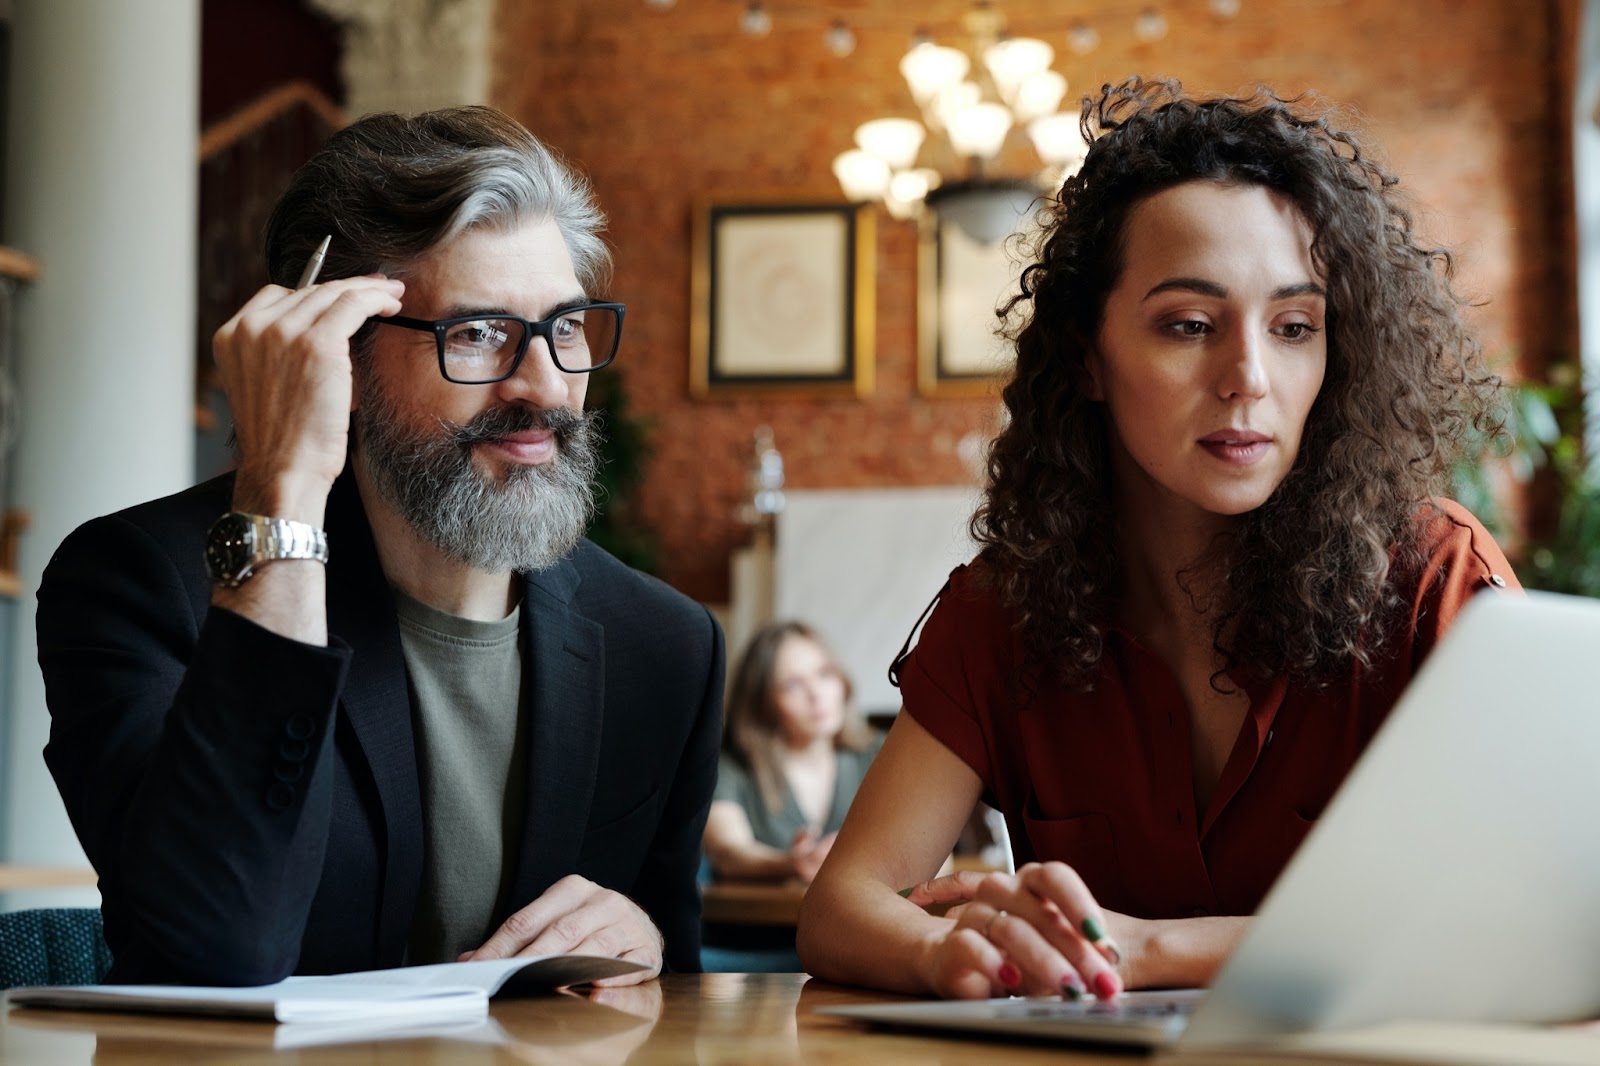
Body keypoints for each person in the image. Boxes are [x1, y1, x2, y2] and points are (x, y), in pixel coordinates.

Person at [796, 77, 1517, 1002]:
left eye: (1295, 327)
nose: (1249, 377)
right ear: (1089, 357)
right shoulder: (1001, 611)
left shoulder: (1431, 577)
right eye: (1189, 325)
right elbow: (843, 907)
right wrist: (957, 953)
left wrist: (1149, 952)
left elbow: (1520, 918)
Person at [36, 107, 724, 986]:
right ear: (340, 360)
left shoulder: (663, 645)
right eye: (476, 333)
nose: (547, 385)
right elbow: (210, 951)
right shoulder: (140, 585)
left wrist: (649, 946)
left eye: (567, 326)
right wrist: (283, 488)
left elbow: (683, 992)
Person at [703, 621, 881, 883]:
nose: (816, 693)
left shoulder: (879, 752)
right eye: (793, 685)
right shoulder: (731, 765)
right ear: (762, 703)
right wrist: (790, 864)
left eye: (825, 673)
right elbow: (728, 853)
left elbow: (933, 852)